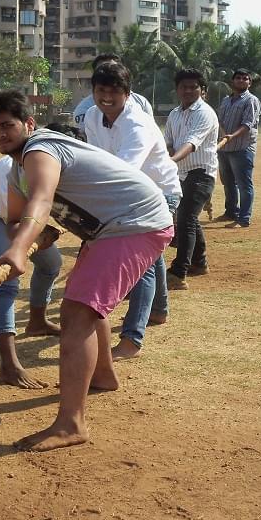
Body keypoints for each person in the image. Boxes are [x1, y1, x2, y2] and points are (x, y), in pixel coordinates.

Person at [0, 89, 173, 452]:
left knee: (76, 313)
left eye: (7, 125)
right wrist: (30, 237)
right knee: (83, 302)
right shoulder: (17, 168)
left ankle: (71, 424)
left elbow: (42, 199)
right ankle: (102, 376)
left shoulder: (40, 149)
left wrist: (19, 251)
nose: (0, 134)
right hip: (115, 228)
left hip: (135, 224)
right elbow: (19, 215)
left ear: (28, 124)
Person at [82, 62, 181, 360]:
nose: (107, 98)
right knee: (152, 256)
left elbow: (125, 172)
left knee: (142, 265)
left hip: (158, 195)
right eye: (101, 91)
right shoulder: (91, 116)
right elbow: (97, 158)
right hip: (127, 193)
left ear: (127, 93)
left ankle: (132, 339)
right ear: (93, 92)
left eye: (114, 92)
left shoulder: (138, 124)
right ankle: (159, 310)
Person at [0, 156, 63, 389]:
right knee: (7, 280)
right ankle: (9, 366)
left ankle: (37, 322)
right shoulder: (35, 162)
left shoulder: (64, 162)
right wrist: (37, 231)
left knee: (51, 263)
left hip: (19, 214)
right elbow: (23, 213)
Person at [164, 69, 219, 291]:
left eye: (193, 87)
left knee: (186, 218)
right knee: (190, 218)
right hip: (180, 173)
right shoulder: (174, 114)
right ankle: (199, 262)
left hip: (201, 173)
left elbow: (191, 143)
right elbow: (168, 140)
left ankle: (179, 272)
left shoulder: (205, 113)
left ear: (202, 90)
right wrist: (169, 157)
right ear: (177, 90)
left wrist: (171, 160)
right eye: (183, 87)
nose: (188, 90)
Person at [216, 68, 260, 228]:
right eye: (238, 78)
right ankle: (230, 212)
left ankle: (243, 218)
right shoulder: (226, 100)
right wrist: (223, 135)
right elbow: (219, 120)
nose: (241, 80)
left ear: (250, 82)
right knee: (228, 182)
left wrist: (231, 136)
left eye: (245, 78)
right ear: (232, 81)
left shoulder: (251, 100)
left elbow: (248, 124)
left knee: (243, 184)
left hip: (242, 148)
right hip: (224, 148)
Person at [72, 53, 154, 129]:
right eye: (102, 70)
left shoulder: (141, 103)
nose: (108, 74)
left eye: (113, 69)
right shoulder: (85, 110)